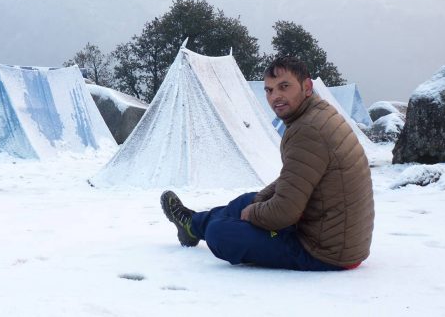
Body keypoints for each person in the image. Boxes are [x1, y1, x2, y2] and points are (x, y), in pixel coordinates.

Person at [160, 56, 374, 271]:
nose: (275, 97)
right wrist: (259, 200)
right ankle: (192, 225)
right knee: (247, 200)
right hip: (334, 234)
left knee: (220, 233)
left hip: (323, 250)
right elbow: (297, 178)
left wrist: (252, 213)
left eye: (284, 87)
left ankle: (200, 226)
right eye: (269, 90)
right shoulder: (318, 115)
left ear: (307, 87)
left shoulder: (308, 130)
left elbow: (284, 212)